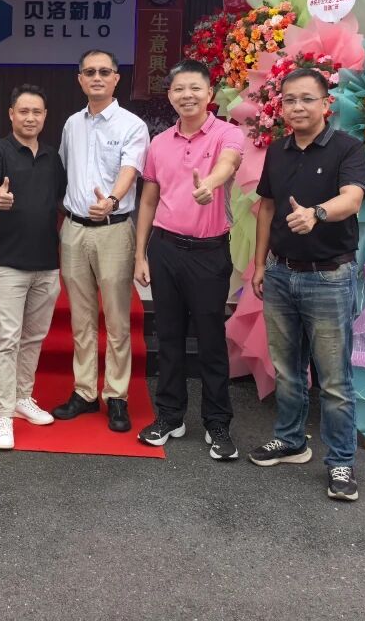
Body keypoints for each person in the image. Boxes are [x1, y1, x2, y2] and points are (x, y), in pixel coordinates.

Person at [250, 67, 365, 502]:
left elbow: (352, 199)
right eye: (289, 100)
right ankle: (291, 440)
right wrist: (259, 265)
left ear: (325, 104)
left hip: (329, 277)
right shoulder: (277, 151)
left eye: (306, 99)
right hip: (280, 274)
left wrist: (316, 214)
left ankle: (340, 462)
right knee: (286, 369)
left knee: (333, 378)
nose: (297, 107)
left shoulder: (347, 148)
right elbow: (266, 208)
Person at [133, 59, 244, 457]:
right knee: (169, 338)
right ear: (170, 95)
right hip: (165, 249)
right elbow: (149, 200)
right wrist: (140, 254)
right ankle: (170, 416)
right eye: (179, 89)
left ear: (210, 93)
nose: (187, 95)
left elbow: (228, 163)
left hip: (208, 253)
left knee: (211, 340)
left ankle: (217, 423)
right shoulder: (159, 143)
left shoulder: (228, 133)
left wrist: (209, 184)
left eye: (195, 88)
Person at [51, 49, 148, 433]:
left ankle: (117, 395)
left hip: (113, 229)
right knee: (81, 318)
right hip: (73, 230)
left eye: (104, 72)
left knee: (118, 319)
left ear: (116, 78)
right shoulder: (71, 124)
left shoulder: (132, 125)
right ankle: (85, 391)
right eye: (89, 72)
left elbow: (130, 170)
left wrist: (110, 199)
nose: (96, 77)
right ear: (79, 79)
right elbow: (63, 170)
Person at [0, 85, 66, 451]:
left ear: (45, 116)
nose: (30, 118)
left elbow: (60, 200)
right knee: (7, 340)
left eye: (37, 112)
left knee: (33, 337)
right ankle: (2, 415)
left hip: (47, 264)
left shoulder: (52, 156)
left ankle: (21, 397)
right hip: (9, 264)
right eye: (24, 111)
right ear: (11, 114)